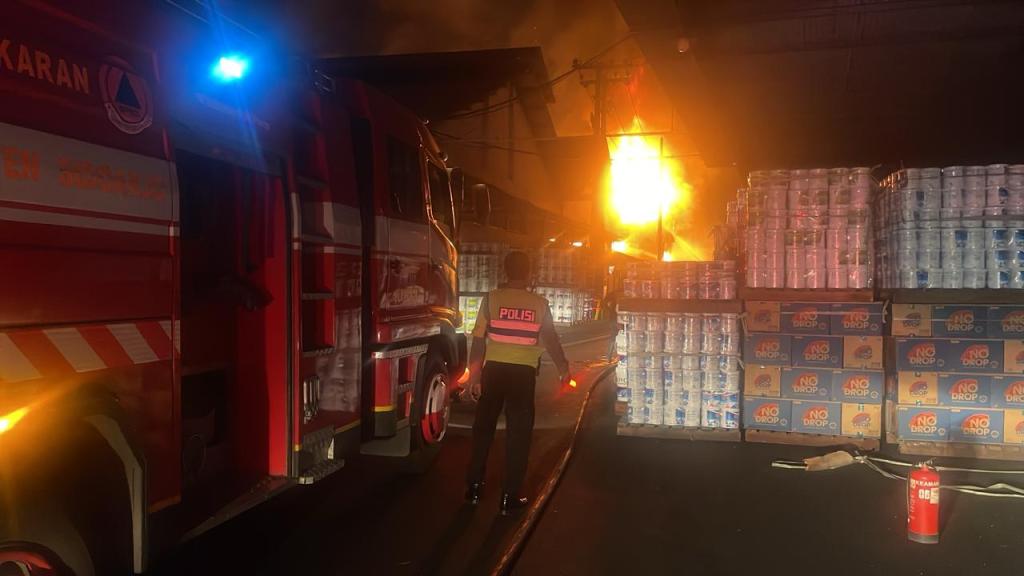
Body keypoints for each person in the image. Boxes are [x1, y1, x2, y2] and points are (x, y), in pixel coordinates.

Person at [465, 250, 571, 514]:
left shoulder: (491, 299)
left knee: (483, 430)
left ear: (505, 270)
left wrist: (474, 377)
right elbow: (551, 339)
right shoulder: (540, 304)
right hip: (523, 375)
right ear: (529, 272)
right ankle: (508, 498)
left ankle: (474, 489)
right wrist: (564, 370)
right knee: (519, 435)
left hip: (493, 372)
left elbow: (478, 341)